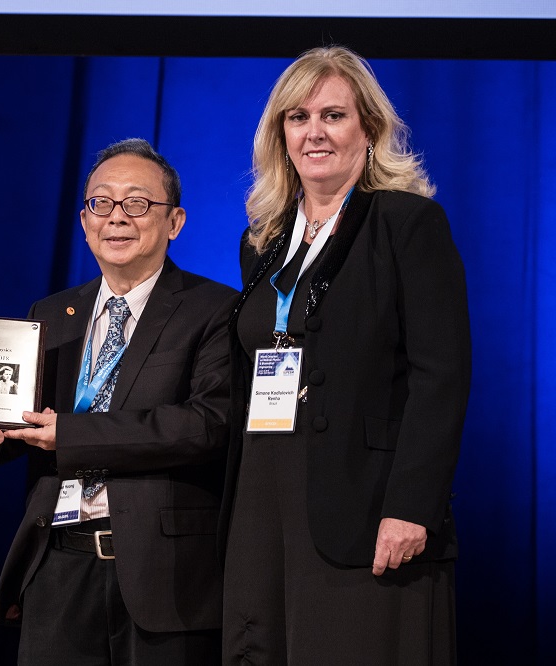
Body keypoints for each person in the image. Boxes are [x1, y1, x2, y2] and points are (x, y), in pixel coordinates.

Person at [0, 138, 238, 664]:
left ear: (175, 221)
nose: (117, 217)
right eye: (101, 202)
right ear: (84, 219)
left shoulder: (215, 309)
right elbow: (11, 428)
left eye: (138, 203)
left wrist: (70, 435)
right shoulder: (53, 314)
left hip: (166, 575)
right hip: (58, 566)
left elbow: (208, 424)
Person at [220, 45, 471, 664]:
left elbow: (441, 375)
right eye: (297, 118)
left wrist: (412, 507)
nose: (314, 133)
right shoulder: (265, 244)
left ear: (369, 128)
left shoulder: (407, 223)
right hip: (264, 497)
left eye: (332, 115)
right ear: (279, 134)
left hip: (365, 505)